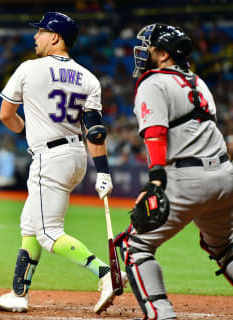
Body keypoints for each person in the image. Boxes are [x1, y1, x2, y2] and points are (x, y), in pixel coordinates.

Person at [0, 12, 126, 314]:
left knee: (48, 233)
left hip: (48, 157)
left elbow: (5, 115)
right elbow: (95, 129)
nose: (35, 37)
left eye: (40, 32)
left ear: (55, 37)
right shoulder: (89, 78)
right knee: (30, 225)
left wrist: (25, 128)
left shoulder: (29, 68)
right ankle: (18, 293)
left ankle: (107, 274)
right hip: (77, 156)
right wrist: (103, 172)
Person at [115, 23, 233, 320]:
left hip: (186, 177)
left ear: (164, 54)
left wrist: (156, 179)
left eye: (149, 49)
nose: (143, 54)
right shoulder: (198, 81)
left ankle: (161, 314)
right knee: (224, 247)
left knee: (136, 246)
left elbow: (155, 133)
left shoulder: (152, 82)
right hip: (225, 175)